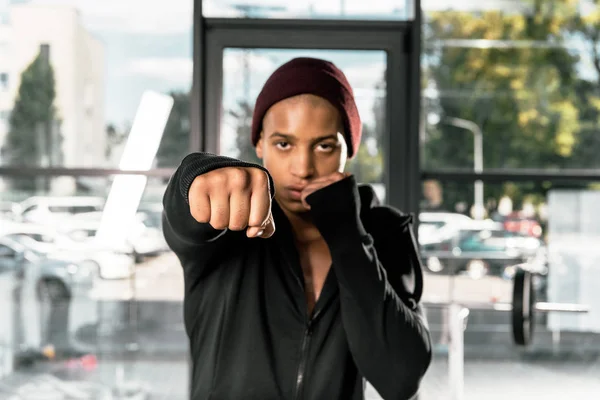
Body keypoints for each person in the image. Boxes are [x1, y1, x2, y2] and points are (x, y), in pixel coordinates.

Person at [163, 57, 432, 400]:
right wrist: (195, 177)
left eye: (323, 146)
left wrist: (349, 235)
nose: (302, 168)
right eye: (283, 144)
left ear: (348, 149)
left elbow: (400, 378)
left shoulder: (384, 231)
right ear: (259, 143)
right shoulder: (232, 223)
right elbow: (183, 214)